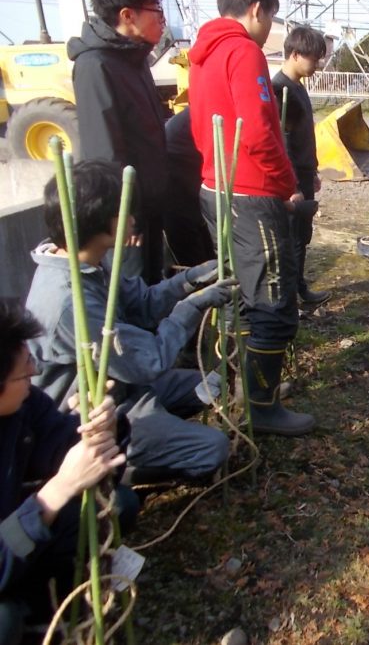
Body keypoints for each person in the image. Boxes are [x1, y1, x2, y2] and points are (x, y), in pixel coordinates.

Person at [26, 160, 231, 485]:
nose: (134, 221)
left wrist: (190, 280)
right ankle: (115, 471)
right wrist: (190, 309)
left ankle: (153, 433)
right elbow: (148, 362)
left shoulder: (89, 264)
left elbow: (144, 305)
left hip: (122, 388)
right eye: (124, 213)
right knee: (213, 448)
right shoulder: (68, 302)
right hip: (86, 416)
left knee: (210, 386)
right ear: (101, 222)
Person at [188, 0, 316, 436]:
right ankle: (261, 407)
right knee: (273, 302)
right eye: (271, 19)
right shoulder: (242, 51)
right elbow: (260, 128)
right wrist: (287, 185)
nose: (270, 30)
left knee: (240, 295)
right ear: (257, 9)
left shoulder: (201, 53)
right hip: (251, 190)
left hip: (215, 185)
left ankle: (248, 386)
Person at [0, 301, 137, 643]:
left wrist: (100, 428)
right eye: (23, 371)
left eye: (30, 359)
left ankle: (52, 606)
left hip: (17, 534)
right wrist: (57, 491)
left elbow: (59, 439)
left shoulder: (23, 405)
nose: (34, 374)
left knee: (117, 505)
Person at [67, 0, 170, 285]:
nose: (162, 18)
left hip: (149, 205)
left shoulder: (134, 59)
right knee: (130, 293)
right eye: (155, 10)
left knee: (152, 288)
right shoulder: (95, 66)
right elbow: (103, 151)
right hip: (125, 219)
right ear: (127, 16)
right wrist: (122, 215)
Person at [272, 25, 331, 312]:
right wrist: (292, 185)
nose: (317, 65)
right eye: (314, 58)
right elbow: (281, 145)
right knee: (291, 239)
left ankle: (299, 288)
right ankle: (288, 298)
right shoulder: (280, 90)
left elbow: (303, 137)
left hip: (305, 175)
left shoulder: (299, 88)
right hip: (291, 182)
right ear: (295, 54)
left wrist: (314, 171)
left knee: (302, 237)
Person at [163, 109, 216, 268]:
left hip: (190, 193)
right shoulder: (193, 120)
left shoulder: (194, 116)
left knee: (207, 260)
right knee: (197, 265)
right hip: (177, 196)